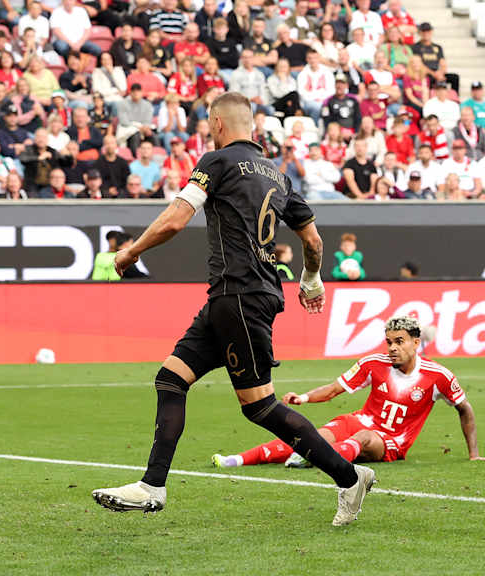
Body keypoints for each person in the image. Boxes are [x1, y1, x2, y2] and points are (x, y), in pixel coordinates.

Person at [90, 92, 375, 526]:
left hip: (239, 296)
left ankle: (348, 476)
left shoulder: (216, 161)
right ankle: (152, 486)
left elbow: (173, 220)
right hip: (236, 296)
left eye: (208, 123)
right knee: (171, 378)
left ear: (218, 124)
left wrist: (128, 255)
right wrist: (311, 279)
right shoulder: (280, 177)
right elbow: (313, 242)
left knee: (259, 406)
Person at [213, 316, 484, 468]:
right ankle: (236, 460)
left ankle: (313, 458)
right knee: (313, 435)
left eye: (399, 342)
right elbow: (333, 390)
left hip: (391, 441)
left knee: (364, 437)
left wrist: (473, 454)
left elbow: (465, 408)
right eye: (389, 341)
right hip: (359, 422)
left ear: (416, 343)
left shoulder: (439, 376)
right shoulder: (372, 363)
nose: (392, 348)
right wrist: (305, 397)